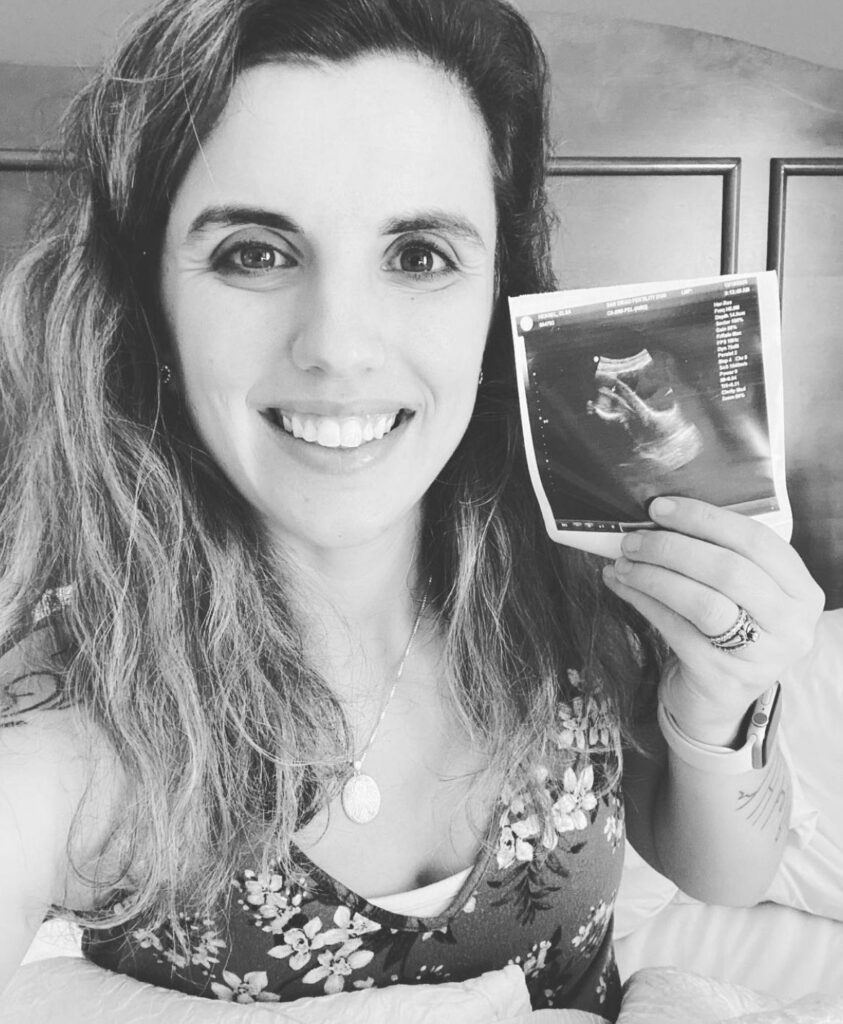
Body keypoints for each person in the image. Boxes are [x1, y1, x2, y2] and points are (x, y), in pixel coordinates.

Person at [0, 0, 824, 1018]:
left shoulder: (577, 570)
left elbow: (727, 877)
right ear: (151, 303)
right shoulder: (71, 702)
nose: (339, 347)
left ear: (495, 295)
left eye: (420, 254)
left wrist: (718, 717)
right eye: (254, 251)